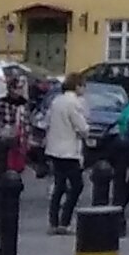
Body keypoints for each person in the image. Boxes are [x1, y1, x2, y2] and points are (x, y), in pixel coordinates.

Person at [44, 71, 90, 233]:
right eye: (83, 85)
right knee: (77, 185)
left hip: (54, 148)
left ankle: (53, 221)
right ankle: (65, 220)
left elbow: (47, 121)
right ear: (77, 86)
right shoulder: (75, 103)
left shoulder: (56, 101)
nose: (84, 89)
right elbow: (83, 127)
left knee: (59, 185)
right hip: (69, 150)